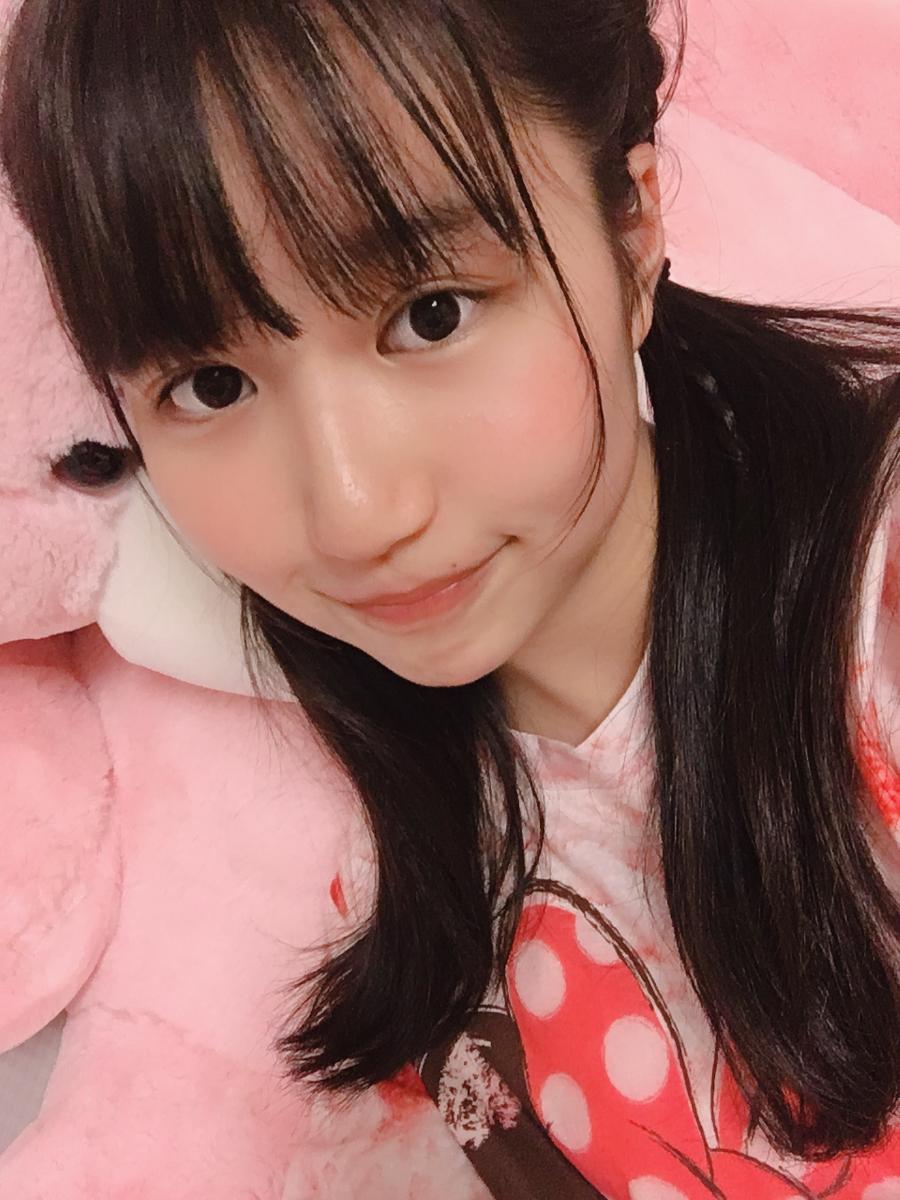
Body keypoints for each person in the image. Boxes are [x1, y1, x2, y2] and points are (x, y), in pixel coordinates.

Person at [2, 1, 900, 1195]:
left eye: (432, 315)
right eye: (210, 385)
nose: (356, 511)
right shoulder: (332, 818)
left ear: (630, 227)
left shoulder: (873, 607)